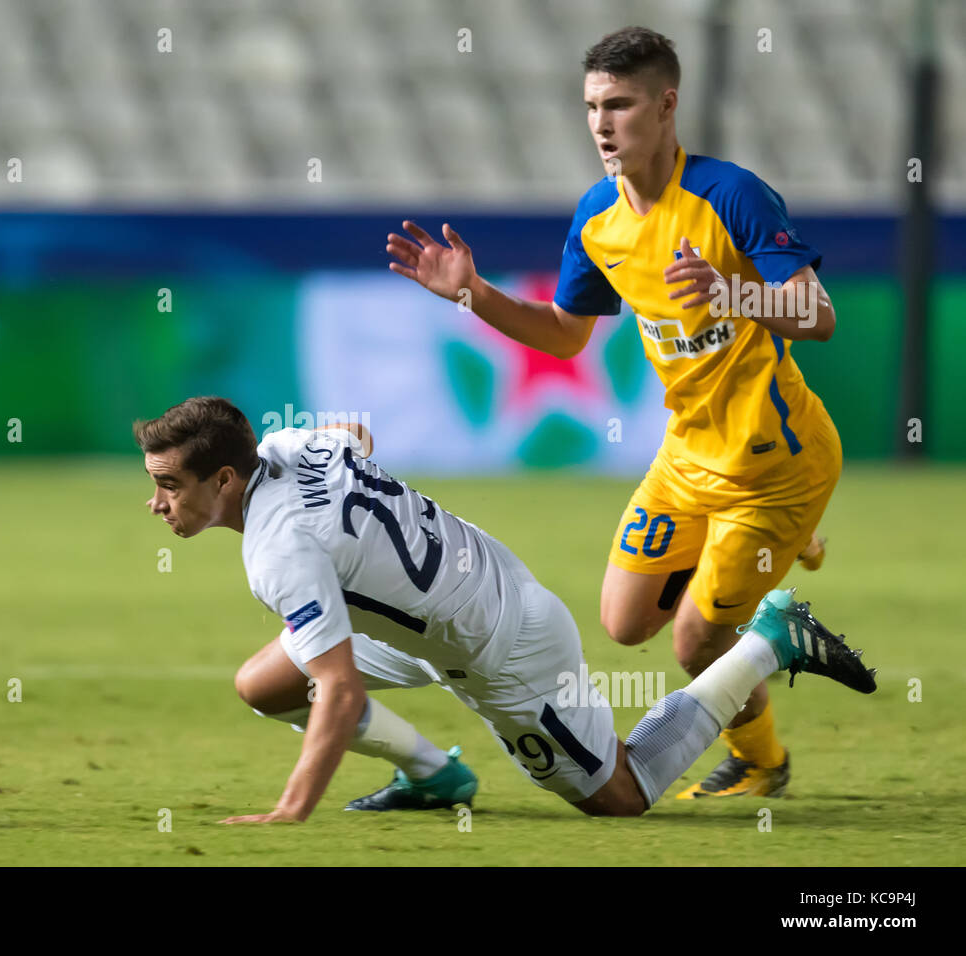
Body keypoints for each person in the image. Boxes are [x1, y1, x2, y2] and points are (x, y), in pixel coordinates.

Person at [387, 26, 840, 799]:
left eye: (621, 104)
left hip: (775, 465)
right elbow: (564, 336)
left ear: (666, 106)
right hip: (688, 456)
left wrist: (734, 293)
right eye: (593, 105)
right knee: (626, 623)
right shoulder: (598, 216)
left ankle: (764, 760)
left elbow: (817, 313)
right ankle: (783, 547)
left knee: (698, 640)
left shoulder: (730, 195)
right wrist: (474, 293)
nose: (602, 123)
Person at [135, 396, 874, 824]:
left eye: (169, 484)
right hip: (447, 597)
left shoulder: (277, 552)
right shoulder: (287, 443)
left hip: (502, 645)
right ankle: (435, 777)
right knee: (266, 683)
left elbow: (343, 692)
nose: (157, 502)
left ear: (225, 478)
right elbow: (355, 437)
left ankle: (770, 640)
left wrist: (292, 807)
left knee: (620, 796)